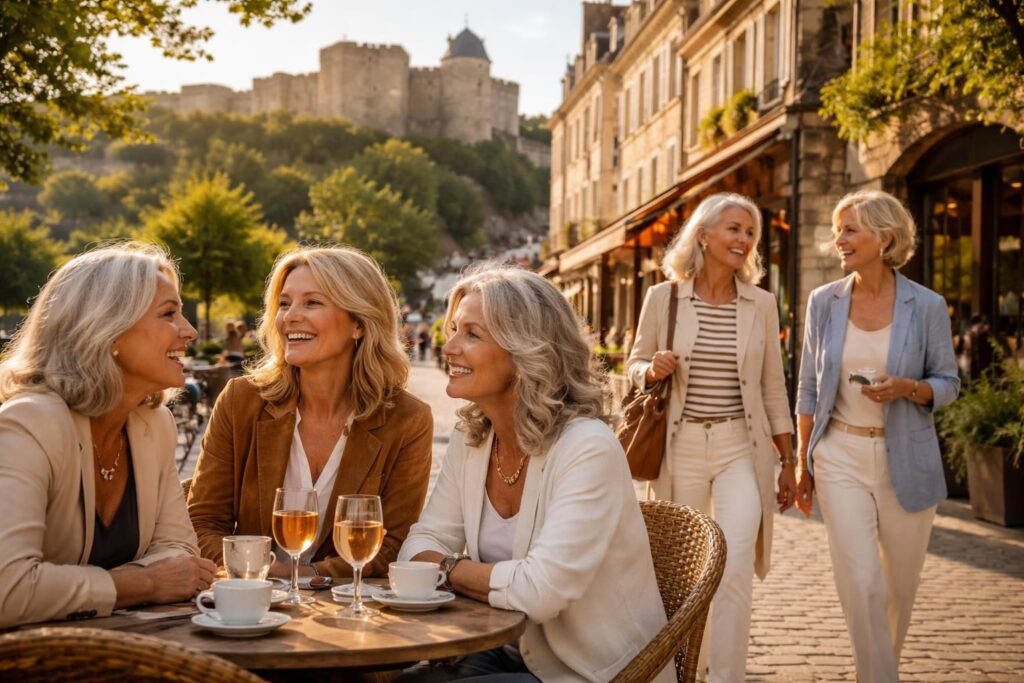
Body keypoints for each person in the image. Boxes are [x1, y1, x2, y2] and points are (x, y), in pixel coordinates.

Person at [397, 264, 672, 682]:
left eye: (471, 334)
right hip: (507, 651)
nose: (449, 346)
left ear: (527, 353)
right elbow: (417, 546)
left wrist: (446, 568)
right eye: (453, 329)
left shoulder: (587, 447)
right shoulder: (472, 439)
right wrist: (458, 567)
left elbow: (539, 593)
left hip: (592, 671)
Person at [626, 192, 796, 683]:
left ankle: (726, 676)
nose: (743, 239)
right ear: (703, 234)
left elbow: (771, 385)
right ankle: (685, 669)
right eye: (735, 229)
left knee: (736, 561)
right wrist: (649, 369)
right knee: (686, 572)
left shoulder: (761, 304)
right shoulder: (664, 298)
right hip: (679, 449)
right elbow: (634, 362)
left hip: (739, 447)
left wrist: (788, 460)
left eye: (750, 233)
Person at [0, 242, 215, 628]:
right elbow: (8, 589)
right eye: (169, 314)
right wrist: (144, 582)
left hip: (123, 651)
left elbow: (180, 553)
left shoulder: (154, 424)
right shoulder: (28, 424)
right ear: (108, 331)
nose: (190, 331)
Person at [187, 246, 433, 579]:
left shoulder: (408, 419)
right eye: (284, 303)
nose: (289, 317)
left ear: (359, 324)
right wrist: (257, 571)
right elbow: (203, 522)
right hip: (251, 604)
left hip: (348, 614)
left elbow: (393, 545)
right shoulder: (240, 401)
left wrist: (304, 577)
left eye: (312, 302)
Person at [795, 190, 960, 682]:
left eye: (849, 229)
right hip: (839, 453)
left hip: (906, 459)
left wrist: (910, 388)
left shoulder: (927, 305)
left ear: (884, 238)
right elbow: (806, 386)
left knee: (897, 592)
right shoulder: (823, 302)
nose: (837, 239)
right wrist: (803, 462)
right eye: (837, 229)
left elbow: (949, 384)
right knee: (863, 583)